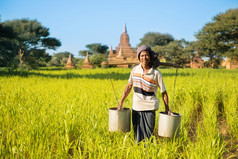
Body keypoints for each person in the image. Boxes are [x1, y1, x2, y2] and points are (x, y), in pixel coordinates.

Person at [117, 45, 171, 143]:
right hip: (136, 107)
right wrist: (121, 102)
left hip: (150, 107)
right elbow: (128, 87)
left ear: (150, 57)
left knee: (148, 135)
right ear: (139, 57)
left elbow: (164, 92)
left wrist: (167, 108)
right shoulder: (135, 70)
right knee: (137, 134)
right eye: (142, 55)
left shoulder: (156, 73)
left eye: (146, 55)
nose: (144, 58)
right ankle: (139, 153)